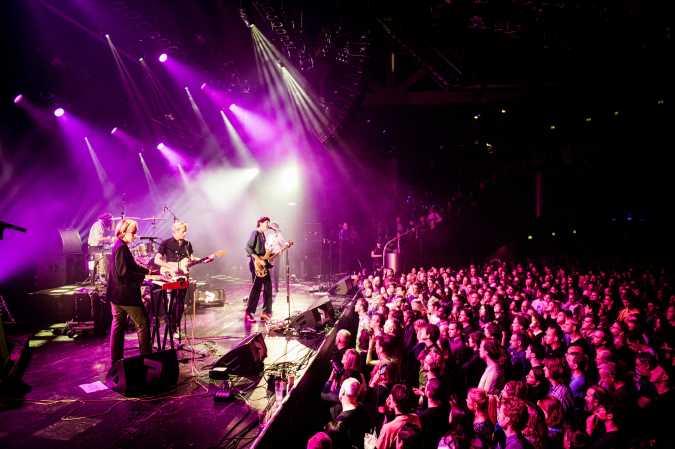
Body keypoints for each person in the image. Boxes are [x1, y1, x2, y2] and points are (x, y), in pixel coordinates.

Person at [154, 221, 211, 336]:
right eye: (183, 231)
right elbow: (157, 260)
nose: (185, 233)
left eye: (185, 231)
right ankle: (170, 326)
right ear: (175, 231)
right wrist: (171, 266)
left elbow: (191, 258)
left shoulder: (187, 244)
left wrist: (203, 259)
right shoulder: (166, 243)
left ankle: (176, 327)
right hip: (171, 275)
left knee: (180, 302)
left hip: (183, 276)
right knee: (172, 302)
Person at [107, 219, 151, 364]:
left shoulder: (120, 246)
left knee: (118, 326)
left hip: (116, 295)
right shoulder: (121, 248)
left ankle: (116, 361)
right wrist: (143, 277)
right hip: (125, 296)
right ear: (123, 232)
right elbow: (124, 273)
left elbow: (132, 266)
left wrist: (147, 270)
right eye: (133, 232)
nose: (135, 235)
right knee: (143, 323)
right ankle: (148, 360)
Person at [245, 216, 274, 322]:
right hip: (256, 264)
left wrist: (270, 255)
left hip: (263, 264)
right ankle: (249, 313)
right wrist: (258, 259)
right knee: (256, 289)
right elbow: (248, 248)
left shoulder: (263, 235)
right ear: (260, 223)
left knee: (268, 288)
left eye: (268, 223)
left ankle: (265, 312)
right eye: (266, 222)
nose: (268, 224)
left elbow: (264, 252)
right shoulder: (255, 233)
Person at [88, 212, 114, 283]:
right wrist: (108, 239)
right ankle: (103, 276)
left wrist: (109, 242)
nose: (111, 223)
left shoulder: (101, 225)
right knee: (107, 255)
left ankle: (109, 276)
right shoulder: (98, 225)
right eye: (110, 221)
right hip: (94, 248)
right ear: (106, 220)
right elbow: (98, 238)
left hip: (99, 247)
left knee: (111, 251)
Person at [265, 222, 287, 294]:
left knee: (275, 271)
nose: (271, 228)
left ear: (276, 227)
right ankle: (268, 287)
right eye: (271, 226)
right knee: (268, 272)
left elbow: (283, 244)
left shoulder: (279, 235)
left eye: (273, 226)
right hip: (269, 254)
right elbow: (266, 244)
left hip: (276, 255)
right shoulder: (269, 235)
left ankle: (276, 288)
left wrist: (281, 249)